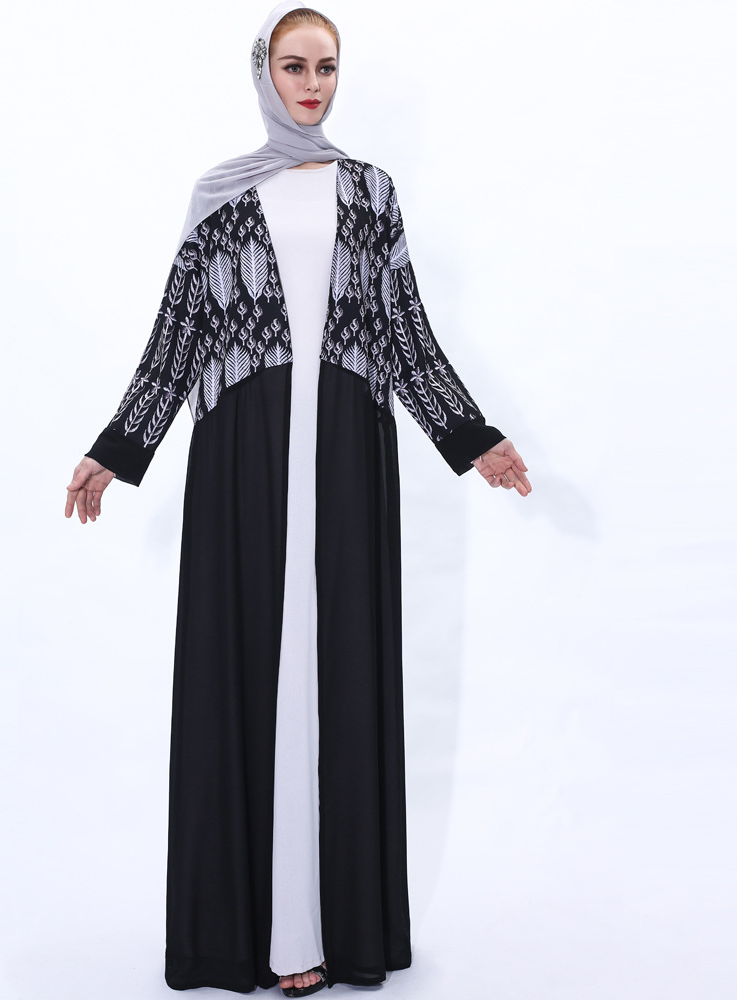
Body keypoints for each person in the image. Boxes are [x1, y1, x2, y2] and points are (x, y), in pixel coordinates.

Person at [65, 3, 531, 996]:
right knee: (250, 668)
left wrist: (473, 438)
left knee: (336, 673)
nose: (312, 85)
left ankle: (328, 931)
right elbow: (177, 337)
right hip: (245, 456)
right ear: (262, 73)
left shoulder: (370, 190)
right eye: (294, 66)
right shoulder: (222, 195)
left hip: (346, 455)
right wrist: (116, 448)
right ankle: (257, 940)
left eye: (325, 67)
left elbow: (406, 331)